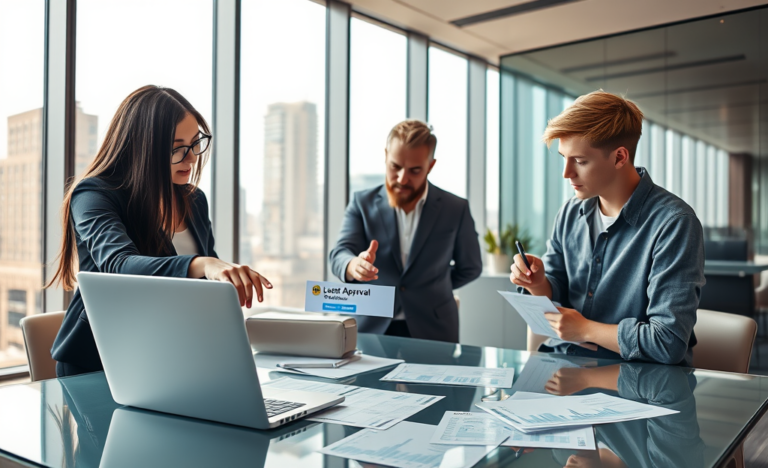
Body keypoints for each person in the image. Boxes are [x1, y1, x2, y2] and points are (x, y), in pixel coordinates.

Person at [47, 85, 272, 377]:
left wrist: (228, 282)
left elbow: (207, 284)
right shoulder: (94, 195)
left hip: (174, 359)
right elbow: (120, 265)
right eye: (177, 147)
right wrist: (203, 264)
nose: (191, 158)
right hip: (101, 364)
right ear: (142, 147)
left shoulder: (193, 200)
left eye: (195, 143)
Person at [510, 90, 705, 366]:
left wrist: (586, 329)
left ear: (619, 157)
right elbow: (558, 295)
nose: (566, 173)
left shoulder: (674, 223)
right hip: (563, 372)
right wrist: (539, 282)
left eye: (579, 161)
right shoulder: (569, 213)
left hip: (637, 387)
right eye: (563, 158)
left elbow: (667, 341)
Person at [329, 120, 482, 343]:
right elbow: (339, 254)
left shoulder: (456, 208)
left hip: (434, 331)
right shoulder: (362, 203)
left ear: (430, 166)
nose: (402, 178)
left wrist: (434, 285)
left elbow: (471, 267)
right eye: (395, 166)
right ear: (385, 156)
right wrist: (354, 266)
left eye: (415, 170)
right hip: (371, 329)